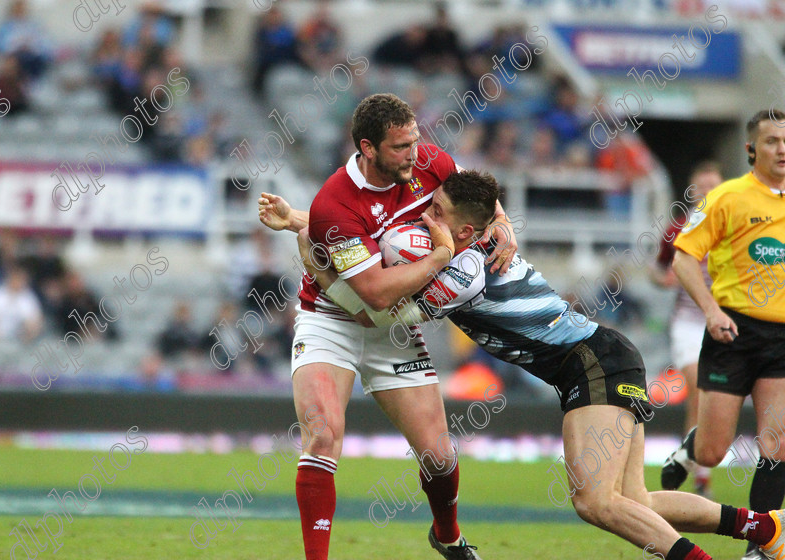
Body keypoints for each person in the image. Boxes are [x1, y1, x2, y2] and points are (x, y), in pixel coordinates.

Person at [274, 170, 785, 560]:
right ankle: (768, 529)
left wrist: (318, 262)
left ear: (467, 228)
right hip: (602, 356)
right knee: (635, 502)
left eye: (437, 209)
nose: (424, 213)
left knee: (594, 503)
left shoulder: (467, 269)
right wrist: (303, 219)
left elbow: (384, 312)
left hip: (591, 363)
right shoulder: (472, 244)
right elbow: (376, 245)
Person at [257, 93, 517, 560]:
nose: (414, 155)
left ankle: (448, 535)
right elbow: (373, 293)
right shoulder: (336, 200)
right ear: (368, 148)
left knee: (438, 456)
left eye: (415, 141)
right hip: (330, 319)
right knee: (323, 434)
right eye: (400, 147)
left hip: (393, 331)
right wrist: (439, 255)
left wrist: (502, 221)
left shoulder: (430, 162)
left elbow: (476, 198)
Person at [661, 109, 785, 560]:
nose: (782, 149)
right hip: (733, 331)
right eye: (772, 141)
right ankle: (688, 451)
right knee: (713, 451)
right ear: (752, 149)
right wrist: (711, 311)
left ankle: (761, 544)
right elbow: (682, 259)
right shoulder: (725, 198)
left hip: (781, 338)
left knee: (778, 442)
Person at [649, 161, 723, 497]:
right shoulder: (678, 228)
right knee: (698, 388)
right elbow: (657, 269)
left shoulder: (733, 226)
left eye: (713, 185)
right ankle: (694, 465)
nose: (707, 192)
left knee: (713, 399)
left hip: (725, 323)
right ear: (692, 192)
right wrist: (664, 279)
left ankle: (697, 467)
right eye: (702, 186)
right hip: (689, 322)